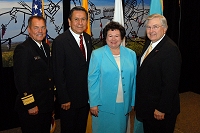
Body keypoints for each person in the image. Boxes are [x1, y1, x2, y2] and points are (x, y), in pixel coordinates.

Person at [135, 14, 182, 133]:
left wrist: (162, 108)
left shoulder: (170, 49)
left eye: (155, 27)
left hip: (159, 110)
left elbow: (171, 83)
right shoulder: (150, 43)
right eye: (149, 27)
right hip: (148, 106)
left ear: (165, 28)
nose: (151, 31)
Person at [88, 21, 137, 133]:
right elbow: (92, 80)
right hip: (102, 105)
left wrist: (133, 101)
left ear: (122, 37)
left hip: (123, 104)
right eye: (110, 36)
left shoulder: (131, 54)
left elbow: (134, 80)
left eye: (117, 36)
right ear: (105, 37)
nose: (113, 39)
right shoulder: (97, 54)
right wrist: (94, 103)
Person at [52, 6, 92, 133]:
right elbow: (58, 72)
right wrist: (64, 98)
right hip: (69, 99)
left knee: (81, 128)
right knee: (69, 129)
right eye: (76, 19)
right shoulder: (60, 41)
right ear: (69, 21)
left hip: (85, 97)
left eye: (83, 19)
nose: (80, 23)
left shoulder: (88, 38)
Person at [13, 16, 54, 133]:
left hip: (45, 103)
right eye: (36, 28)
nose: (40, 31)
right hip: (32, 105)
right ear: (29, 30)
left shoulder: (45, 47)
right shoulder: (23, 49)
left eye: (43, 27)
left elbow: (48, 73)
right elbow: (21, 80)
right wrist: (30, 104)